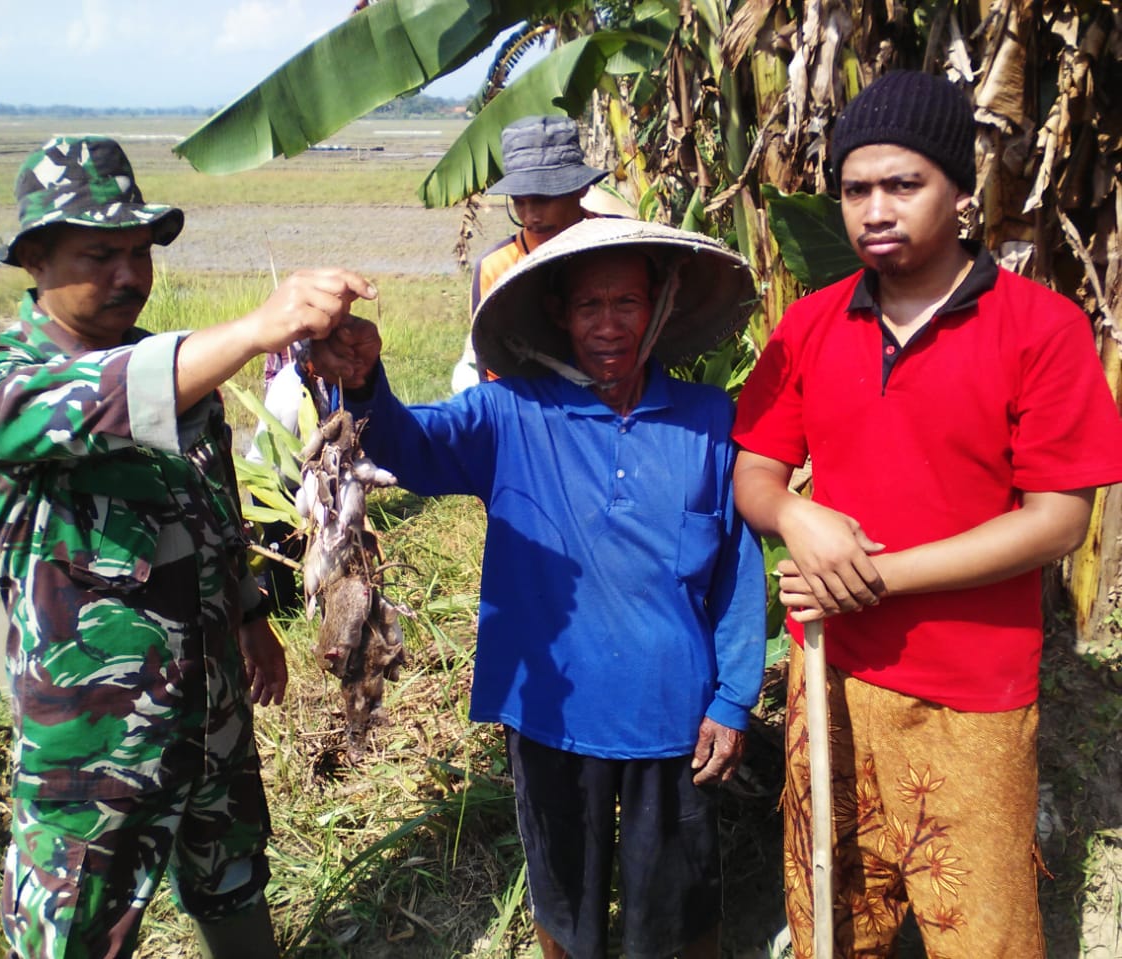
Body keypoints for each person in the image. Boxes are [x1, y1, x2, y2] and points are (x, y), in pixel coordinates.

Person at [0, 135, 375, 959]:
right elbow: (107, 397)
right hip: (94, 739)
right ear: (35, 258)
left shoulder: (183, 374)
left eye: (139, 252)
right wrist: (257, 326)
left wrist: (251, 616)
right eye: (99, 253)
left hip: (207, 701)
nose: (128, 274)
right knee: (75, 926)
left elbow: (213, 506)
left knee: (233, 874)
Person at [731, 70, 1122, 957]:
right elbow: (755, 471)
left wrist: (872, 576)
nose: (875, 209)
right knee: (834, 909)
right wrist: (798, 517)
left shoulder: (1041, 328)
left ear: (958, 193)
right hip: (829, 673)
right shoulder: (810, 326)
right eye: (855, 188)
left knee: (982, 928)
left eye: (903, 185)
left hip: (972, 690)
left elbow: (1058, 520)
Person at [311, 217, 766, 959]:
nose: (609, 325)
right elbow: (405, 444)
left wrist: (732, 698)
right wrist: (361, 381)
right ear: (559, 314)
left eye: (627, 302)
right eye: (590, 305)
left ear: (659, 305)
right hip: (552, 714)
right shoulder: (510, 413)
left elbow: (737, 567)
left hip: (673, 713)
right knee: (564, 900)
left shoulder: (709, 421)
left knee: (679, 911)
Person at [450, 114, 610, 393]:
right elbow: (492, 364)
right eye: (519, 202)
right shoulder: (497, 266)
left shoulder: (616, 243)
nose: (531, 216)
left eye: (543, 199)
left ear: (581, 189)